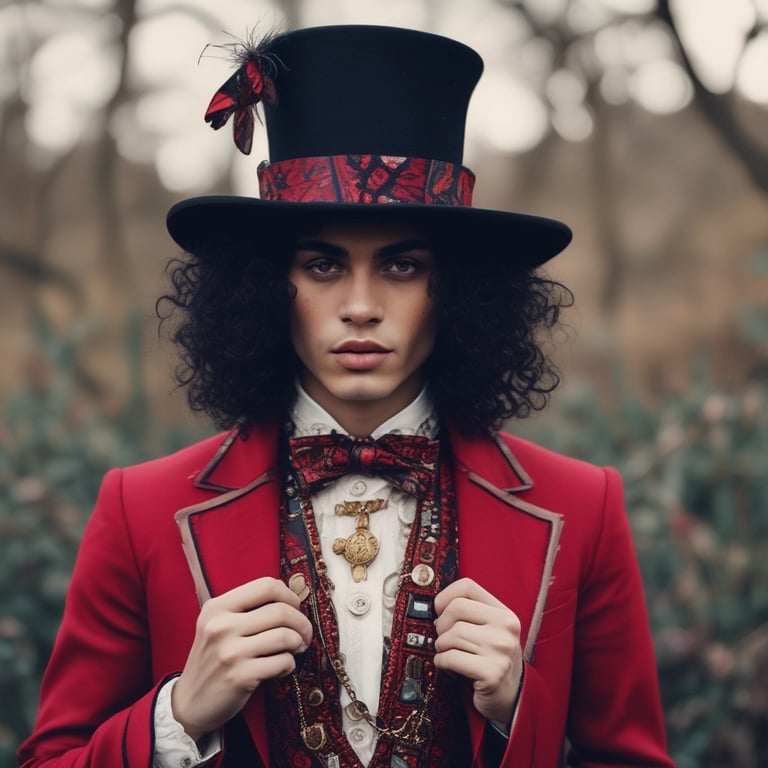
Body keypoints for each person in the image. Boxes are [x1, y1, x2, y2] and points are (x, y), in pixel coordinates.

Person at [18, 24, 674, 768]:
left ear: (453, 290)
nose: (360, 305)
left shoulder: (583, 508)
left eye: (400, 265)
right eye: (324, 265)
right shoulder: (141, 509)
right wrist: (176, 717)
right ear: (268, 288)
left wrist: (518, 711)